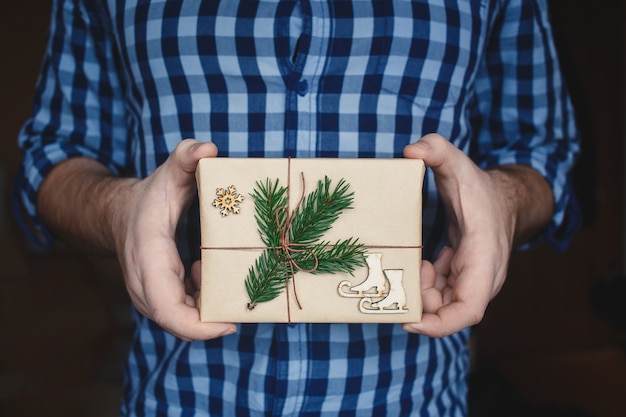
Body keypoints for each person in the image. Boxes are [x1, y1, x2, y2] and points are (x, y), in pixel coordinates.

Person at [13, 0, 580, 415]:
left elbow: (541, 152)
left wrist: (503, 203)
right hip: (178, 399)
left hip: (417, 400)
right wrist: (117, 209)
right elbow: (55, 157)